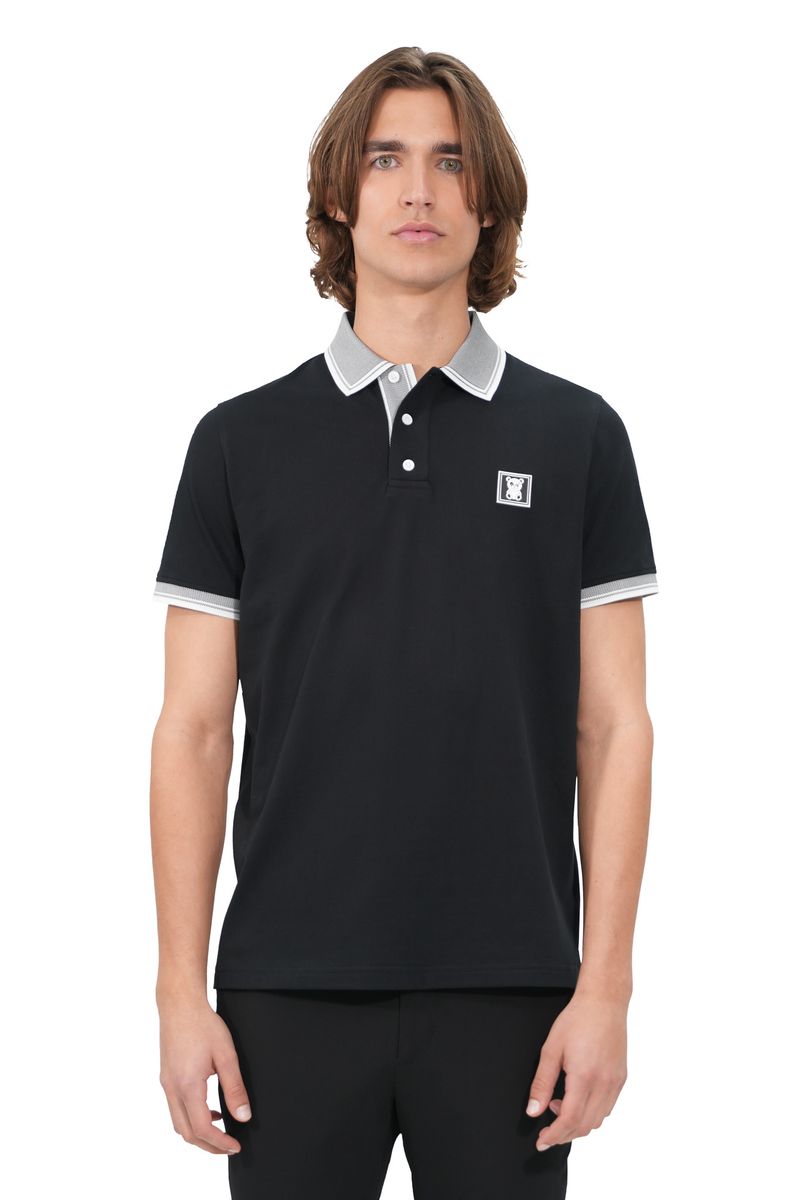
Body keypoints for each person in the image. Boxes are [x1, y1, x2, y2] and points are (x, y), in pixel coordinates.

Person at [150, 46, 659, 1200]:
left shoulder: (577, 438)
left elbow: (613, 728)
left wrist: (605, 989)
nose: (417, 191)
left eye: (449, 162)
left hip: (512, 994)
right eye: (384, 160)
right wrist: (180, 992)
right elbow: (192, 731)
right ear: (340, 195)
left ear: (489, 201)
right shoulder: (237, 444)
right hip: (284, 988)